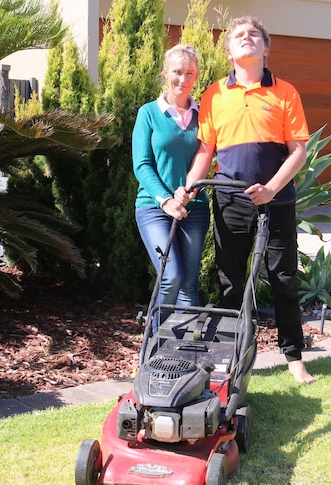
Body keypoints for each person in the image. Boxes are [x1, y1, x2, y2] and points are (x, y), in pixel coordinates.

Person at [176, 16, 316, 383]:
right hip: (230, 199)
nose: (246, 38)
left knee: (283, 277)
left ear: (266, 48)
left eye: (254, 34)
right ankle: (229, 353)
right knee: (229, 279)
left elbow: (299, 150)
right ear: (229, 51)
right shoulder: (213, 95)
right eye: (238, 35)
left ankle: (294, 357)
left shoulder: (285, 92)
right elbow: (206, 151)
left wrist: (271, 188)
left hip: (277, 200)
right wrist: (189, 185)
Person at [133, 44, 211, 331]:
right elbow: (141, 165)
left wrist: (187, 195)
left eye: (189, 73)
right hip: (154, 208)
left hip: (195, 208)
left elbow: (206, 156)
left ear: (196, 75)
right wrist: (166, 199)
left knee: (190, 283)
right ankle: (155, 346)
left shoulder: (203, 115)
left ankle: (186, 351)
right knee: (171, 276)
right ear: (166, 73)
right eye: (177, 72)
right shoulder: (149, 114)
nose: (183, 79)